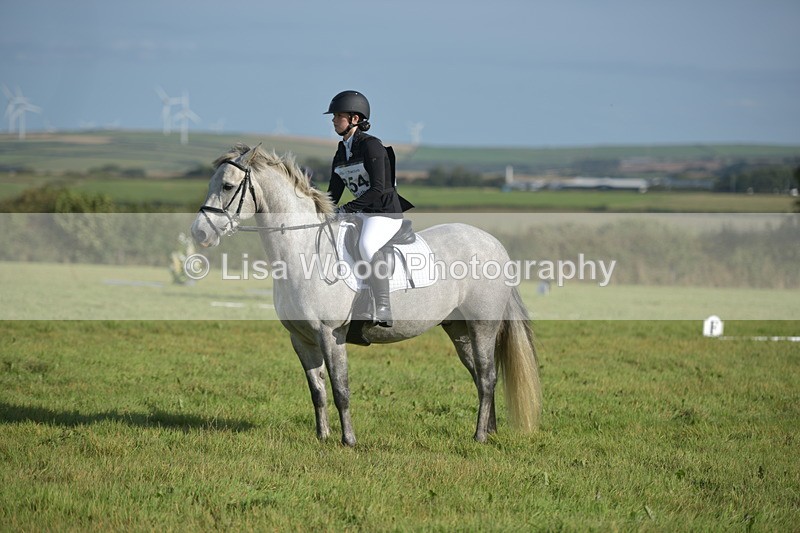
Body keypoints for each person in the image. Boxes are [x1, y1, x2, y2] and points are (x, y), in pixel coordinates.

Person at [324, 90, 413, 327]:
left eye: (338, 116)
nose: (333, 120)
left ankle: (383, 306)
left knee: (366, 245)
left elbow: (378, 188)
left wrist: (347, 209)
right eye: (334, 116)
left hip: (384, 213)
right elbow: (333, 193)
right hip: (362, 212)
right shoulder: (341, 151)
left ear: (355, 118)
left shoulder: (372, 146)